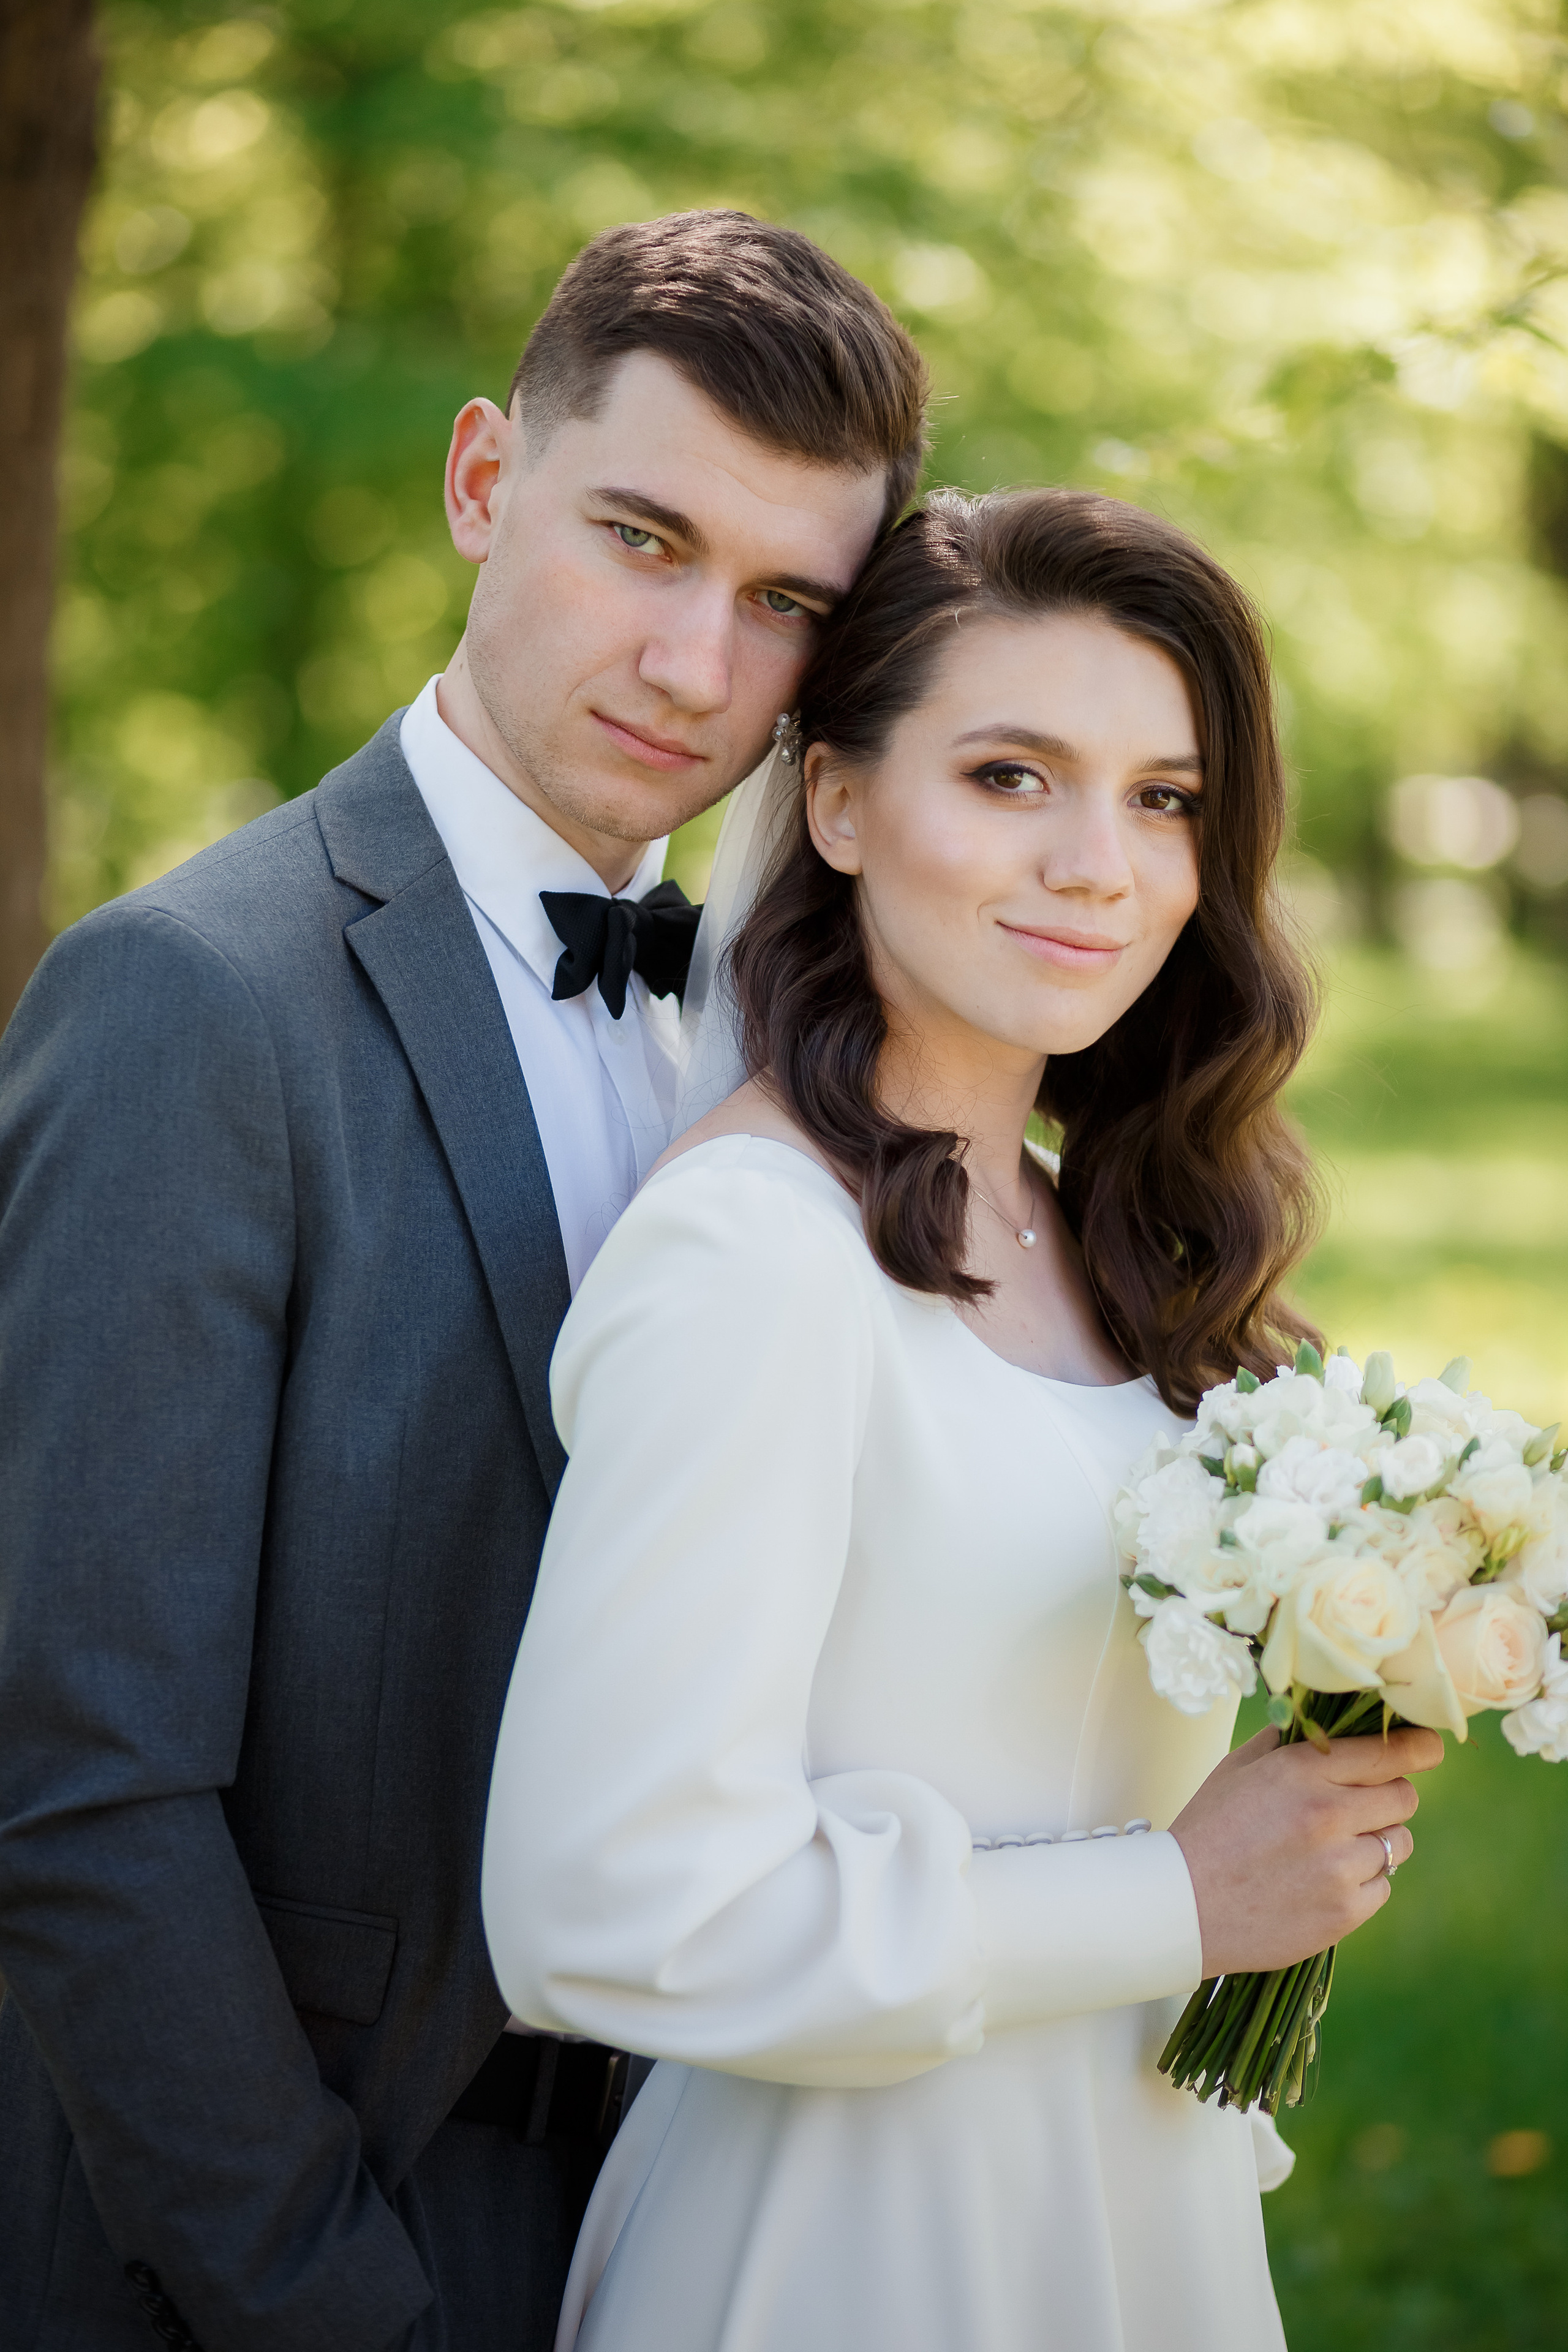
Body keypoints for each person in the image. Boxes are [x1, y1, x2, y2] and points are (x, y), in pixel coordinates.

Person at [0, 211, 925, 2352]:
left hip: (701, 2223)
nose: (698, 666)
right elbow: (76, 1787)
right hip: (286, 2241)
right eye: (642, 538)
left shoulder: (790, 1049)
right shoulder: (185, 1005)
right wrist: (341, 2309)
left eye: (786, 603)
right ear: (484, 482)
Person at [480, 486, 1446, 2352]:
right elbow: (602, 1902)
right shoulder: (757, 1253)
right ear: (836, 803)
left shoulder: (1114, 1240)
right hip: (847, 2245)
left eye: (1164, 797)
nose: (1102, 861)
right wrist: (1171, 1901)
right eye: (1013, 777)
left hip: (1132, 2208)